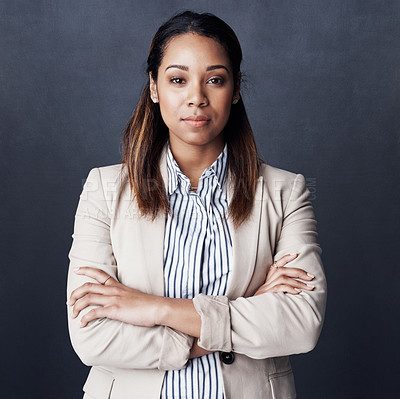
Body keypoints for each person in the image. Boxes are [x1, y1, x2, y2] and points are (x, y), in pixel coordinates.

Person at [66, 10, 327, 399]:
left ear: (235, 88)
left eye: (215, 80)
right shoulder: (104, 189)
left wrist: (155, 309)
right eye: (177, 79)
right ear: (154, 87)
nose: (197, 98)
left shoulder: (284, 191)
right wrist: (248, 310)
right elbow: (91, 335)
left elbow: (301, 325)